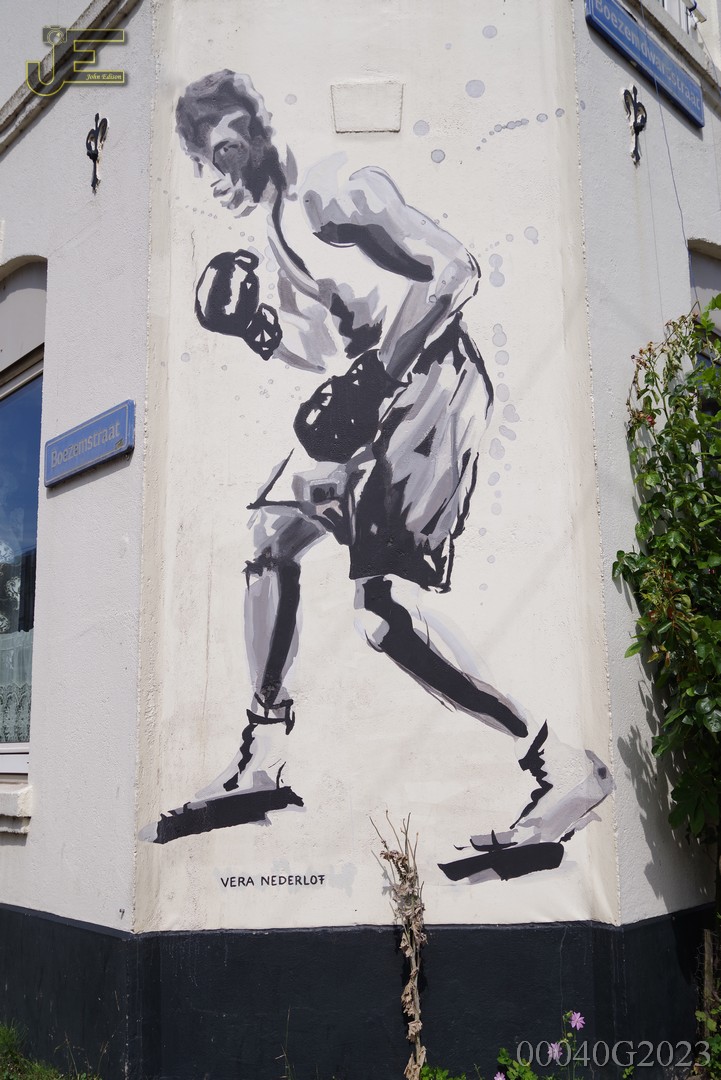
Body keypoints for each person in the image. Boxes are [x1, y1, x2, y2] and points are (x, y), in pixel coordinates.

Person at [141, 71, 612, 877]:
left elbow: (453, 270)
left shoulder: (331, 189)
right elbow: (343, 338)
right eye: (200, 161)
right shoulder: (278, 229)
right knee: (268, 536)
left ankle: (558, 763)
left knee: (382, 615)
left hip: (433, 389)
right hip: (375, 404)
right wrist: (262, 329)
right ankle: (263, 754)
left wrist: (371, 380)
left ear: (255, 133)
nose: (214, 174)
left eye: (222, 150)